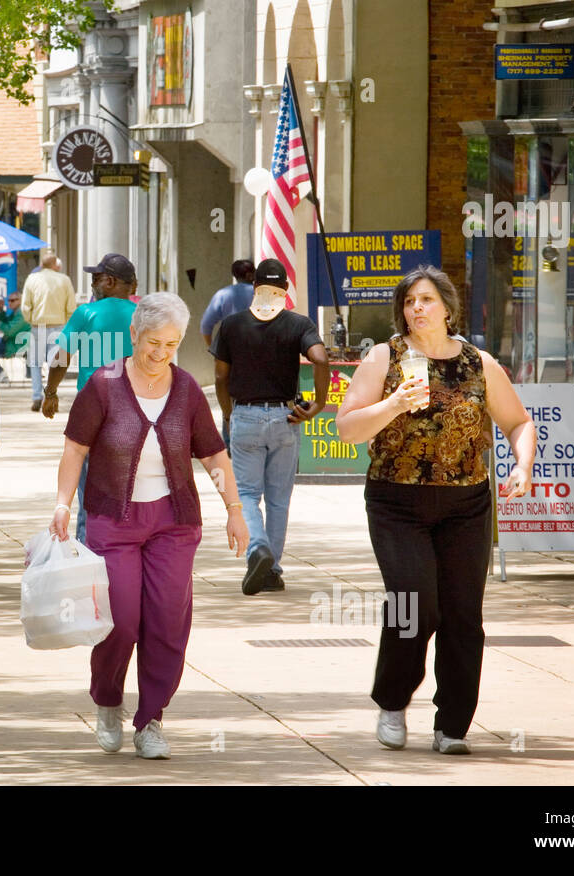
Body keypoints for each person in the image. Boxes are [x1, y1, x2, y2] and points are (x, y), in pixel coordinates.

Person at [336, 265, 535, 756]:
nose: (416, 309)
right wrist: (393, 405)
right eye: (408, 302)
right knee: (414, 605)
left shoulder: (478, 363)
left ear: (448, 307)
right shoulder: (384, 358)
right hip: (396, 501)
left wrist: (523, 467)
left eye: (425, 300)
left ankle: (453, 724)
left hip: (466, 503)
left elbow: (518, 422)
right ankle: (393, 699)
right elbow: (347, 428)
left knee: (464, 615)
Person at [51, 292, 249, 759]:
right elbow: (75, 450)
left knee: (165, 621)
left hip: (172, 520)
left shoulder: (185, 391)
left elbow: (213, 455)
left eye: (172, 344)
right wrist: (62, 504)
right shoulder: (103, 385)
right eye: (153, 342)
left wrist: (234, 508)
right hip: (112, 519)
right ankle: (108, 700)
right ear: (134, 335)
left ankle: (151, 719)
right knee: (120, 620)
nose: (161, 353)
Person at [211, 258, 329, 596]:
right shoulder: (297, 323)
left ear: (254, 286)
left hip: (245, 415)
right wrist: (319, 404)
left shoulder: (231, 325)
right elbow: (320, 358)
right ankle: (272, 569)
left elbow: (221, 376)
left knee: (246, 494)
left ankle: (257, 549)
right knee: (279, 499)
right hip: (285, 418)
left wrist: (227, 412)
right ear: (286, 290)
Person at [42, 253, 138, 542]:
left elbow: (61, 357)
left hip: (93, 412)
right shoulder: (144, 314)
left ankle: (90, 557)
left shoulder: (87, 313)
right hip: (136, 411)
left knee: (89, 493)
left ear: (110, 281)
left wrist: (50, 392)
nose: (93, 283)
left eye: (96, 278)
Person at [20, 252, 77, 412]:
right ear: (54, 265)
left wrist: (31, 319)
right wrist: (67, 322)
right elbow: (71, 306)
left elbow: (25, 305)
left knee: (35, 363)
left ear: (42, 264)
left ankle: (36, 396)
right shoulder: (64, 280)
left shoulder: (32, 279)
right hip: (59, 326)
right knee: (56, 363)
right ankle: (50, 394)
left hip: (38, 326)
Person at [200, 259, 256, 347]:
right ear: (250, 275)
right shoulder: (260, 293)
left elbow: (205, 324)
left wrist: (211, 348)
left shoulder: (222, 294)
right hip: (257, 345)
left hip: (231, 347)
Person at [0, 291, 30, 383]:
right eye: (9, 300)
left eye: (12, 300)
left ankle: (0, 373)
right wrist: (1, 310)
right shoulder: (17, 312)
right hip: (13, 343)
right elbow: (6, 321)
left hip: (18, 345)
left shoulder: (22, 314)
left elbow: (9, 331)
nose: (9, 302)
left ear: (20, 300)